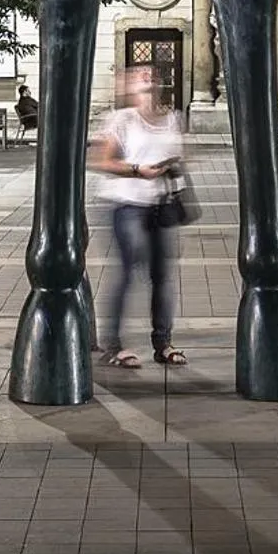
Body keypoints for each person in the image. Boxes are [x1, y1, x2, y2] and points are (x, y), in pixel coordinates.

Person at [91, 66, 187, 370]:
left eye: (152, 75)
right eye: (140, 75)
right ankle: (114, 346)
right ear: (129, 86)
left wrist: (172, 167)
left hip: (159, 205)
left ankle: (163, 343)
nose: (148, 78)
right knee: (127, 271)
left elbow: (180, 156)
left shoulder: (172, 119)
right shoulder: (122, 119)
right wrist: (137, 170)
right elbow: (103, 162)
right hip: (127, 203)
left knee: (161, 275)